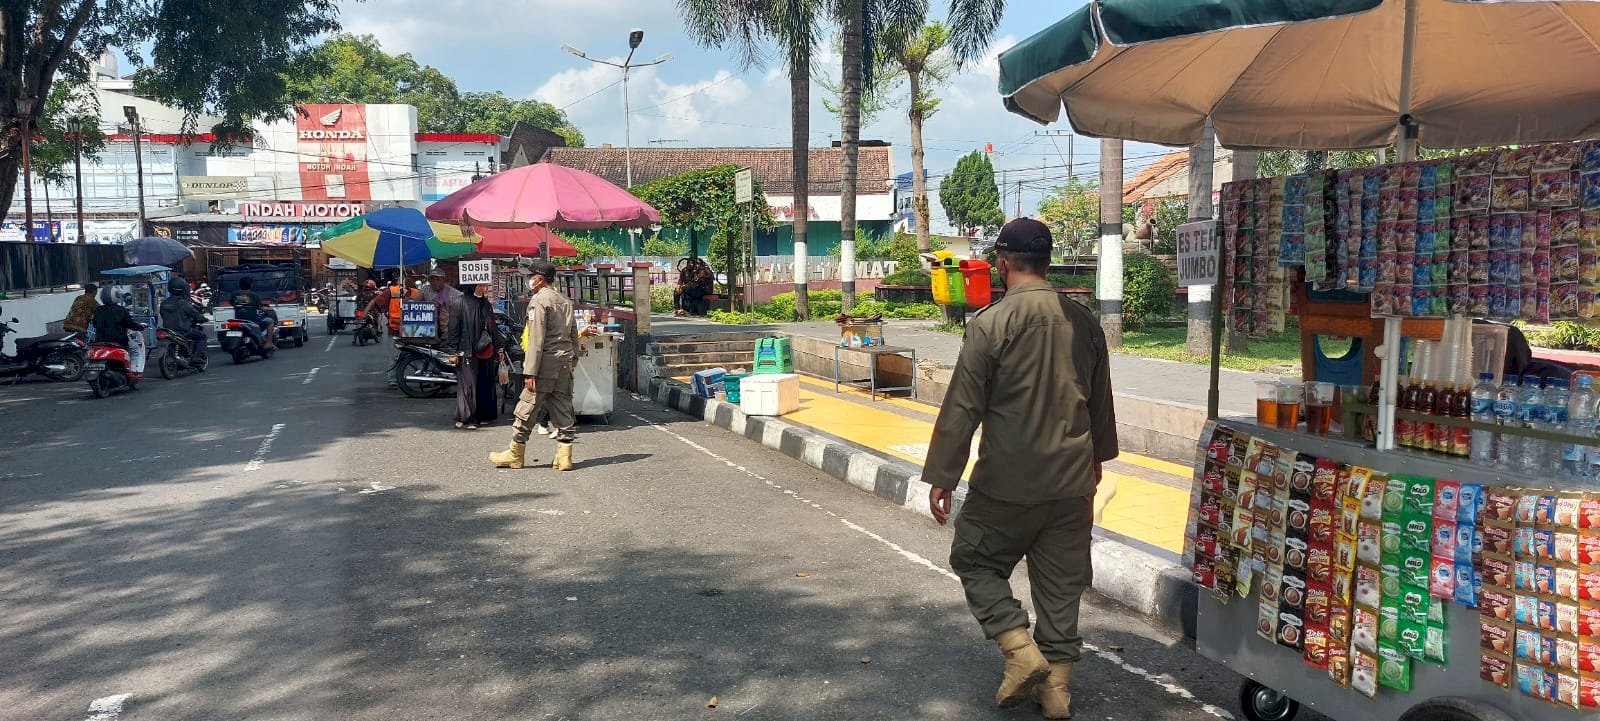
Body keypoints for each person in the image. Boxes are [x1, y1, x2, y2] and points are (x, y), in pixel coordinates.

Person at [922, 218, 1118, 719]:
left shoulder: (989, 324)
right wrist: (1095, 462)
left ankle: (1020, 652)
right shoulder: (1085, 323)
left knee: (974, 560)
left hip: (1007, 482)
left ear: (1003, 265)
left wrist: (943, 475)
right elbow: (1099, 405)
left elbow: (963, 407)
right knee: (1060, 586)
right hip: (1073, 480)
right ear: (1048, 263)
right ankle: (1057, 692)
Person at [490, 260, 579, 471]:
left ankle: (515, 454)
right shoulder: (565, 300)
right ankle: (564, 456)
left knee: (527, 407)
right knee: (563, 406)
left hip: (544, 364)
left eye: (530, 276)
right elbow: (573, 336)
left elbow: (535, 340)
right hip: (564, 362)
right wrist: (572, 361)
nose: (528, 279)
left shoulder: (539, 301)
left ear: (539, 279)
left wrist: (530, 371)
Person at [447, 283, 500, 430]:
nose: (483, 288)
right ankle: (467, 417)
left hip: (486, 350)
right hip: (467, 350)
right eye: (480, 285)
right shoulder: (459, 303)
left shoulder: (486, 304)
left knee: (485, 382)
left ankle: (484, 415)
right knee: (468, 386)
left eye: (484, 285)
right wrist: (453, 352)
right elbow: (453, 329)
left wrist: (499, 348)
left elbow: (492, 328)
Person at [364, 274, 422, 388]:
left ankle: (423, 375)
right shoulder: (391, 291)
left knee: (417, 354)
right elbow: (376, 302)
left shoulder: (417, 293)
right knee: (395, 356)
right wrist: (365, 313)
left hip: (412, 331)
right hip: (396, 329)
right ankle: (393, 379)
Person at [90, 286, 148, 375]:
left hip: (100, 341)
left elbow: (94, 324)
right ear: (116, 296)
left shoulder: (98, 310)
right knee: (136, 349)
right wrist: (140, 327)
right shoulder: (121, 310)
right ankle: (134, 371)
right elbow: (130, 324)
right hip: (119, 340)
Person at [160, 277, 209, 360]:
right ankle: (197, 357)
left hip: (168, 330)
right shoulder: (183, 303)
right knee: (202, 336)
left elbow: (162, 315)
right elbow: (195, 315)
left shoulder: (164, 303)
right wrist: (203, 319)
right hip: (183, 331)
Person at [230, 276, 275, 349]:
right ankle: (269, 343)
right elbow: (260, 308)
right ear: (251, 285)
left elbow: (232, 303)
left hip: (238, 319)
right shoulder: (254, 295)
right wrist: (269, 308)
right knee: (270, 322)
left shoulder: (234, 294)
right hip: (253, 319)